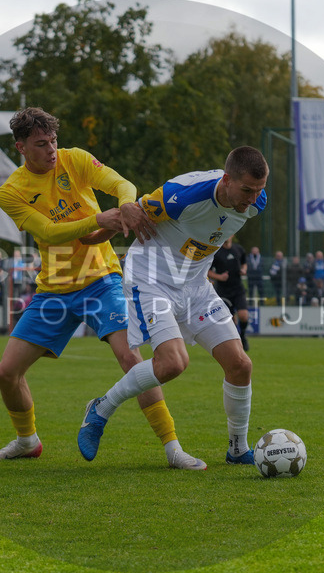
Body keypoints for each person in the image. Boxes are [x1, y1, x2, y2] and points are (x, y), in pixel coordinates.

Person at [0, 107, 204, 470]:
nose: (51, 150)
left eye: (53, 140)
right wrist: (99, 219)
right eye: (41, 144)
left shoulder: (74, 159)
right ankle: (27, 441)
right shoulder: (10, 192)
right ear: (20, 147)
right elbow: (49, 232)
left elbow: (122, 184)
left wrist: (126, 206)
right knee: (5, 373)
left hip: (102, 279)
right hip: (53, 290)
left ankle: (173, 448)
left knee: (131, 358)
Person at [77, 146, 268, 467]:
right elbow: (131, 214)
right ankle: (101, 408)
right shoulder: (183, 195)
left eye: (259, 190)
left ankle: (237, 449)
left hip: (195, 286)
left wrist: (251, 195)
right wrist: (95, 237)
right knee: (173, 363)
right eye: (247, 190)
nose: (253, 198)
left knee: (240, 365)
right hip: (151, 280)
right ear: (226, 180)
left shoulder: (256, 202)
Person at [208, 235, 251, 352]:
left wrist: (244, 270)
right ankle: (236, 343)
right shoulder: (216, 252)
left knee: (243, 315)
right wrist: (219, 277)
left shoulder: (238, 249)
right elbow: (208, 271)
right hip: (223, 291)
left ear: (232, 235)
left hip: (238, 289)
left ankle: (243, 336)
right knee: (230, 321)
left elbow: (244, 263)